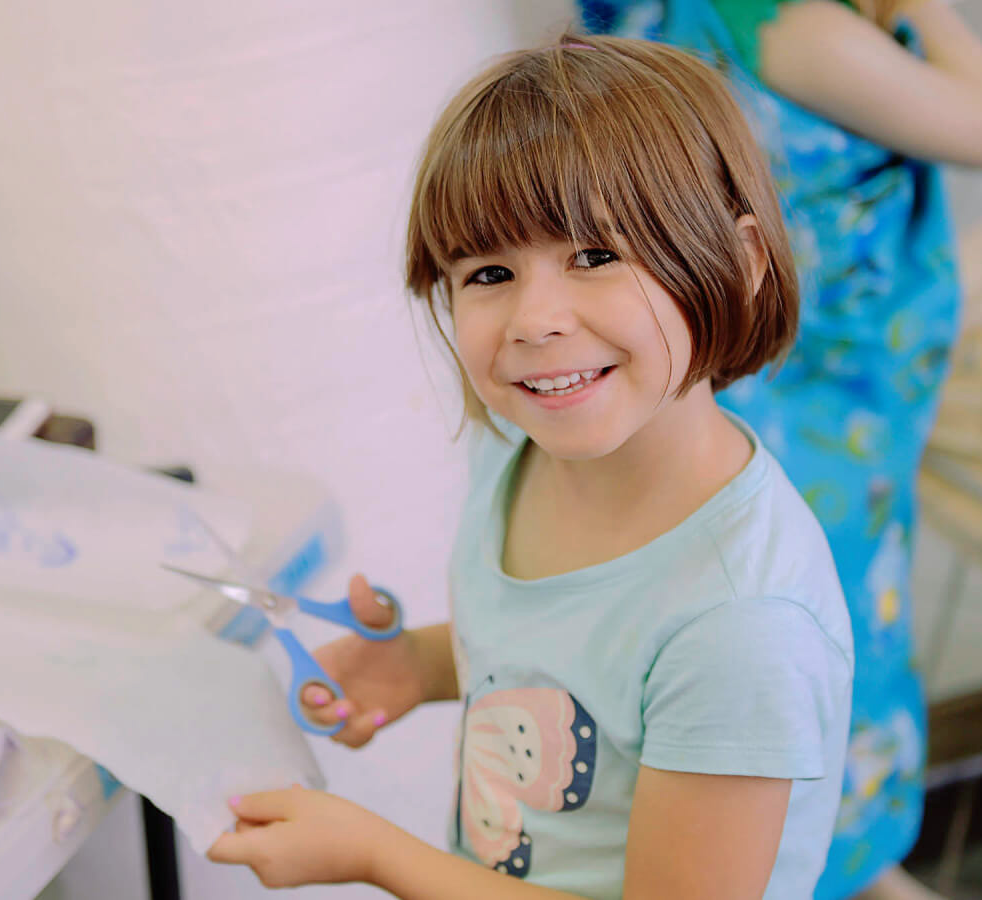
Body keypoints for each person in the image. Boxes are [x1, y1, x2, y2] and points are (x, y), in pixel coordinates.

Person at [205, 34, 854, 898]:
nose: (535, 317)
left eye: (594, 256)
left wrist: (375, 854)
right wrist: (423, 665)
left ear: (737, 263)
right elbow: (564, 658)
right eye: (489, 271)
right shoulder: (517, 453)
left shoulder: (740, 625)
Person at [572, 2, 982, 897]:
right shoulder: (788, 30)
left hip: (735, 389)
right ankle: (831, 862)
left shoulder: (654, 19)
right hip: (815, 408)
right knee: (830, 627)